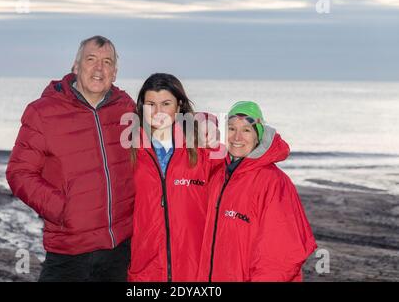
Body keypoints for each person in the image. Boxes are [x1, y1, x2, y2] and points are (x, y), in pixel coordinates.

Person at [6, 35, 136, 282]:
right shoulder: (42, 112)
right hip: (69, 250)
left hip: (120, 249)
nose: (99, 68)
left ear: (115, 72)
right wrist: (63, 209)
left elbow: (156, 147)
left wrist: (199, 127)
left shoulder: (127, 109)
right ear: (76, 67)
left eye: (107, 62)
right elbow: (18, 173)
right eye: (91, 59)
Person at [198, 101, 317, 282]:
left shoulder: (274, 183)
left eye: (246, 130)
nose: (237, 137)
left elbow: (280, 257)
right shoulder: (218, 175)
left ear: (258, 136)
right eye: (231, 129)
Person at [127, 73, 218, 282]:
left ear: (179, 106)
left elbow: (247, 154)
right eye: (151, 104)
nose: (158, 112)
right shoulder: (129, 152)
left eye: (166, 103)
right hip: (145, 270)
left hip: (194, 270)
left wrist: (206, 121)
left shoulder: (204, 149)